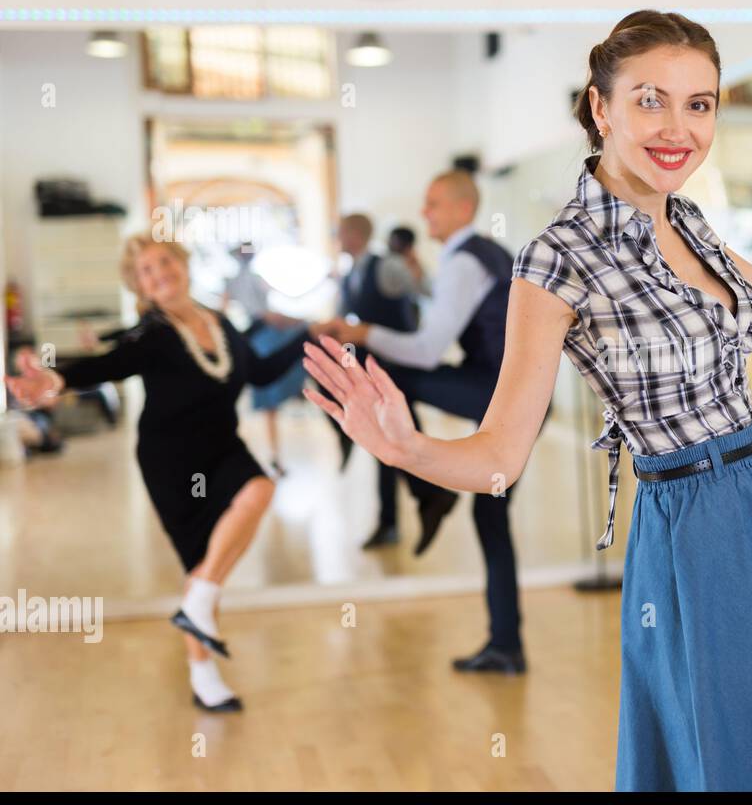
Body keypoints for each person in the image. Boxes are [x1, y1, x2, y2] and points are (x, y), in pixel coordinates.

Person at [302, 11, 752, 791]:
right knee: (736, 755)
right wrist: (405, 448)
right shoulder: (557, 259)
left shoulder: (691, 223)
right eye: (651, 100)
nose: (678, 128)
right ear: (602, 108)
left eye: (701, 104)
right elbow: (499, 457)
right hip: (693, 528)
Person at [5, 234, 312, 713]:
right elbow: (108, 364)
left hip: (223, 447)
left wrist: (312, 335)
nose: (159, 273)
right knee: (201, 563)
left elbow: (263, 373)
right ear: (139, 285)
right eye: (146, 271)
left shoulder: (222, 322)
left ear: (183, 263)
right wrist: (55, 379)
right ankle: (203, 673)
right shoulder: (151, 334)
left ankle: (197, 606)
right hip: (173, 460)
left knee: (259, 490)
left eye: (164, 262)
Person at [319, 171, 525, 674]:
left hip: (494, 392)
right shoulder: (486, 254)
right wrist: (422, 284)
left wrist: (359, 330)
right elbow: (457, 312)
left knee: (390, 377)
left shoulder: (464, 260)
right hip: (510, 391)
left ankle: (428, 492)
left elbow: (429, 350)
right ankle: (506, 645)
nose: (424, 211)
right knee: (491, 517)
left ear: (461, 208)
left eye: (433, 203)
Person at [330, 213, 457, 552]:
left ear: (354, 235)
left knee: (396, 442)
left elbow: (429, 291)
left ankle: (427, 499)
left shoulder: (386, 267)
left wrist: (417, 270)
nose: (335, 236)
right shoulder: (351, 272)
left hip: (397, 369)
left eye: (339, 231)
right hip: (374, 369)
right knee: (387, 446)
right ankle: (413, 508)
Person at [223, 243, 307, 477]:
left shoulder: (235, 280)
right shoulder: (243, 280)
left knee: (268, 403)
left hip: (257, 336)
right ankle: (272, 457)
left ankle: (272, 457)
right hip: (262, 336)